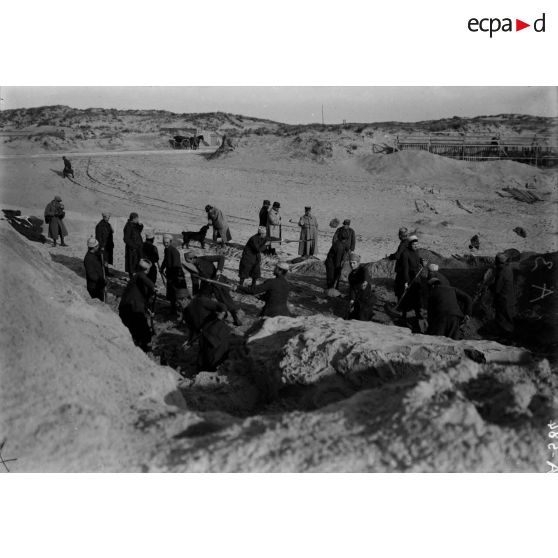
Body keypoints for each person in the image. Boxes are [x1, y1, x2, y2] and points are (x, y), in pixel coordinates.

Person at [183, 251, 242, 326]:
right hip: (206, 285)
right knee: (204, 300)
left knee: (226, 300)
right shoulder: (192, 269)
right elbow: (195, 283)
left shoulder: (205, 258)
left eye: (188, 260)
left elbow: (221, 258)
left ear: (191, 259)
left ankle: (236, 318)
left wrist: (219, 270)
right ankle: (207, 318)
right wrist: (195, 294)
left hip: (217, 281)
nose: (188, 263)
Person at [180, 290, 231, 372]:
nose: (178, 303)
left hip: (218, 335)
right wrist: (189, 342)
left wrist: (222, 313)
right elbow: (193, 330)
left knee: (216, 363)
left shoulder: (200, 301)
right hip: (205, 339)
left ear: (186, 299)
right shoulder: (186, 313)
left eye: (179, 300)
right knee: (201, 364)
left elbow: (221, 305)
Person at [118, 259, 156, 352]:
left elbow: (144, 297)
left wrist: (148, 309)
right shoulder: (140, 275)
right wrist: (153, 286)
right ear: (147, 269)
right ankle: (144, 348)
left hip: (127, 307)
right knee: (142, 329)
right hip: (131, 307)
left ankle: (139, 347)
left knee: (135, 330)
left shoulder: (136, 278)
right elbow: (143, 278)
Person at [396, 235, 424, 324]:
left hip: (416, 277)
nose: (416, 246)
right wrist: (406, 281)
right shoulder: (405, 253)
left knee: (417, 296)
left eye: (417, 244)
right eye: (414, 244)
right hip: (409, 277)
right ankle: (404, 315)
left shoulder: (416, 251)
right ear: (409, 244)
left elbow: (417, 259)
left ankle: (418, 313)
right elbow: (405, 268)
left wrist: (422, 261)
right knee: (406, 297)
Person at [160, 234, 185, 315]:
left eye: (167, 242)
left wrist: (172, 275)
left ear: (170, 242)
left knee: (177, 293)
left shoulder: (174, 251)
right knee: (171, 293)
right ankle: (173, 309)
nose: (165, 244)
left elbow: (176, 265)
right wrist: (162, 267)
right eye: (164, 242)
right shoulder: (166, 250)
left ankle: (180, 310)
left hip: (176, 275)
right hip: (171, 274)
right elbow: (165, 259)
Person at [492, 252, 516, 336]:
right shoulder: (508, 268)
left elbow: (497, 289)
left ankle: (504, 337)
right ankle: (509, 336)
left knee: (502, 319)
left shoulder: (502, 272)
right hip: (510, 298)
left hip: (503, 300)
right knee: (509, 318)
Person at [347, 253, 375, 320]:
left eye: (354, 263)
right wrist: (352, 299)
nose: (352, 265)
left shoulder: (362, 270)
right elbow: (352, 288)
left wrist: (365, 281)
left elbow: (366, 274)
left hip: (366, 299)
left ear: (358, 263)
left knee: (363, 318)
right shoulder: (350, 275)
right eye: (350, 263)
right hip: (358, 299)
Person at [123, 212, 143, 277]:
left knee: (137, 263)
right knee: (132, 264)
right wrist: (133, 246)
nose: (138, 220)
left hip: (137, 248)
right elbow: (126, 238)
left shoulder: (134, 225)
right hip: (132, 250)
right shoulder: (128, 226)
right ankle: (132, 278)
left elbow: (139, 230)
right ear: (133, 219)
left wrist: (140, 225)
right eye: (137, 218)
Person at [95, 212, 114, 277]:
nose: (108, 218)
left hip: (108, 245)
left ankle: (106, 272)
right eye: (107, 217)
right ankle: (104, 273)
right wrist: (101, 246)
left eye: (109, 217)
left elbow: (110, 233)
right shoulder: (99, 226)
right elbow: (98, 237)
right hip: (103, 246)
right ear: (104, 217)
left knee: (107, 260)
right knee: (103, 260)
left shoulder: (108, 224)